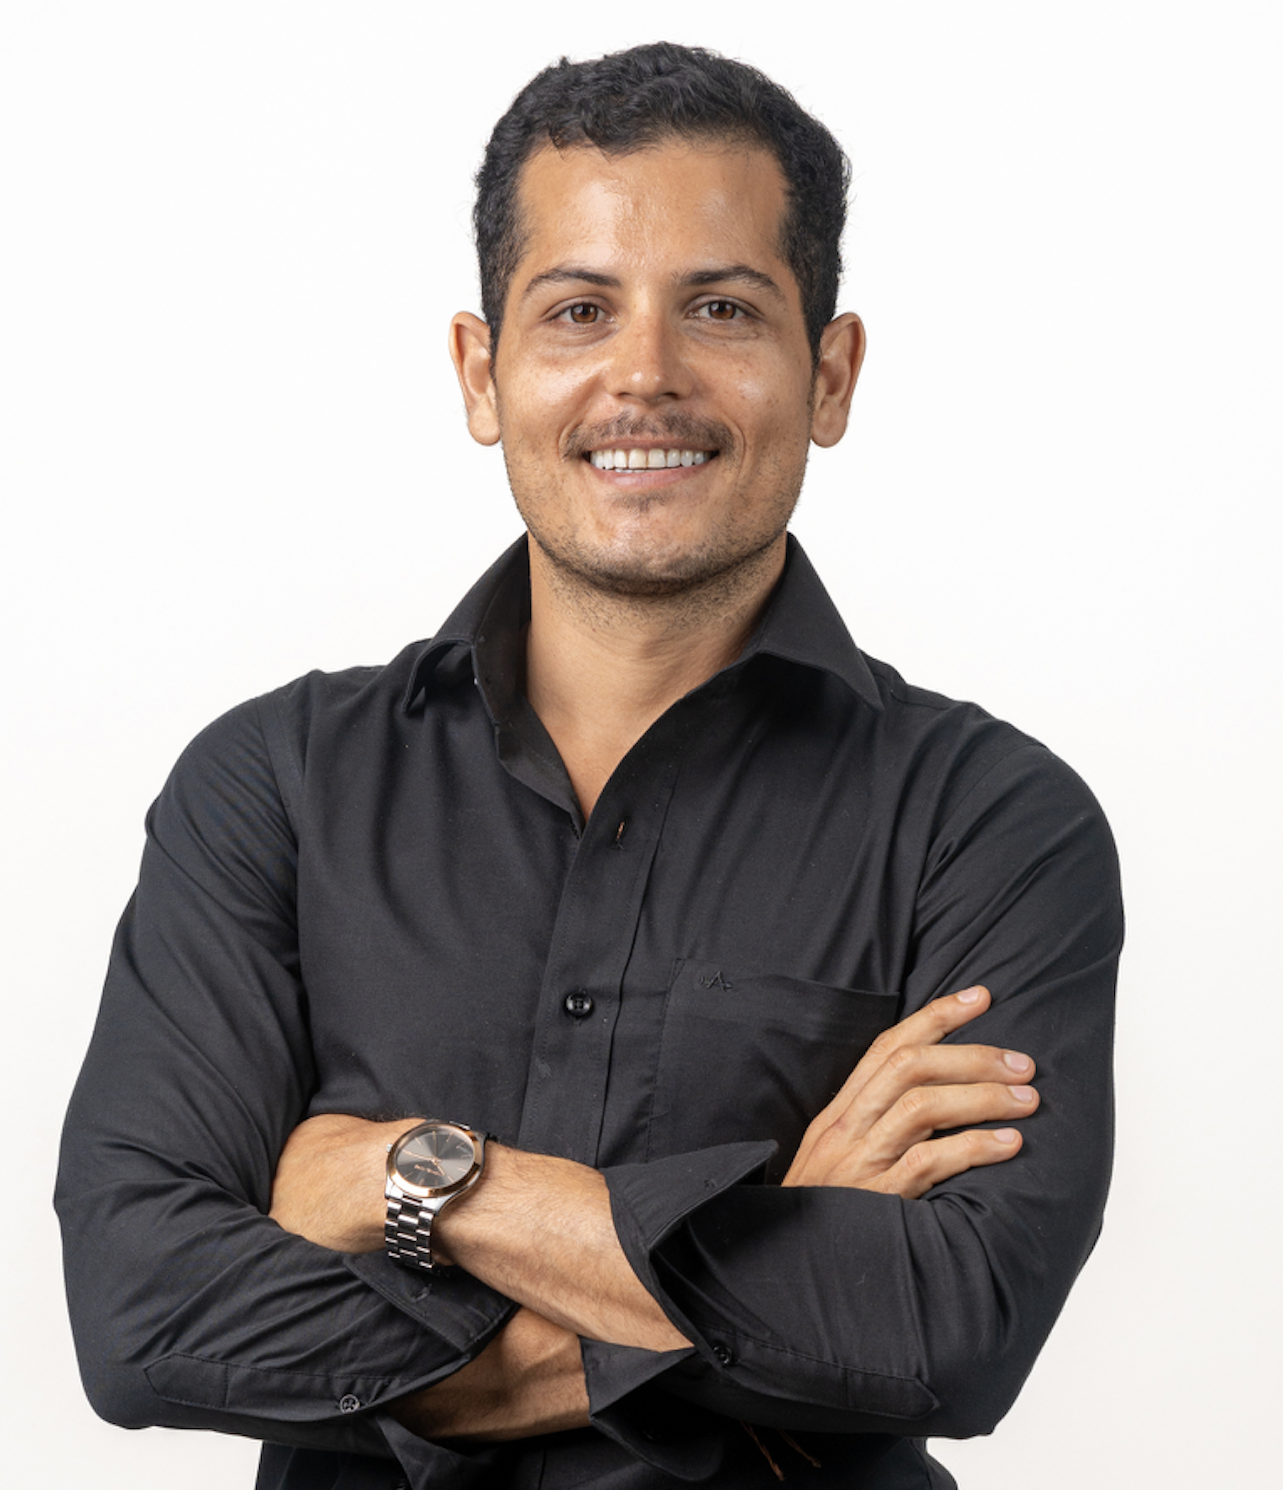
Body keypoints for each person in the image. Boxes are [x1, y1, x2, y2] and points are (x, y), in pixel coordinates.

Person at [57, 41, 1122, 1490]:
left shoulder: (987, 823)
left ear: (829, 375)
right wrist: (775, 1232)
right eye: (578, 310)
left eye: (721, 308)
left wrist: (418, 1179)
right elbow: (144, 1313)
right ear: (481, 373)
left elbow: (949, 1330)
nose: (644, 374)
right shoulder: (276, 790)